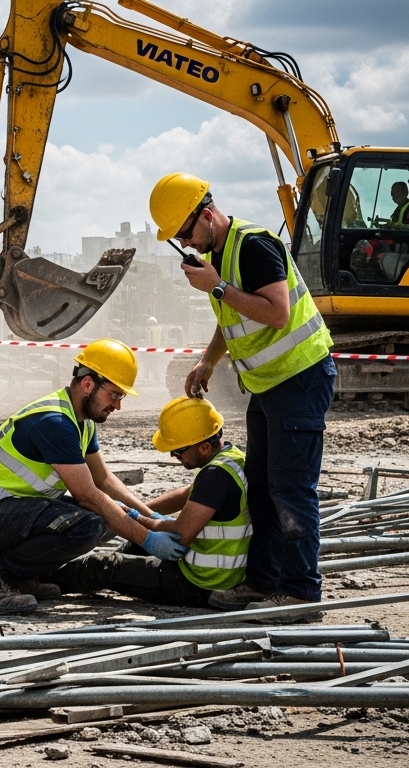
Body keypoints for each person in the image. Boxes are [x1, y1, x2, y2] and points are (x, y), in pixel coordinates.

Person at [150, 172, 335, 619]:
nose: (187, 244)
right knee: (261, 486)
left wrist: (216, 286)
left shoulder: (252, 245)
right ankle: (264, 580)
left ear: (208, 215)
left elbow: (276, 312)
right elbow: (233, 312)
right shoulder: (221, 253)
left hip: (299, 379)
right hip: (269, 386)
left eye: (186, 233)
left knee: (291, 488)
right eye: (177, 239)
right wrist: (209, 361)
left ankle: (300, 592)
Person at [0, 338, 189, 613]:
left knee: (109, 517)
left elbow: (103, 479)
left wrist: (148, 518)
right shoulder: (54, 422)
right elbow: (88, 496)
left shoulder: (81, 422)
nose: (117, 406)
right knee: (87, 525)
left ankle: (21, 575)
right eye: (114, 395)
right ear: (88, 384)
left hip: (12, 508)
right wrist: (147, 539)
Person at [50, 397, 250, 609]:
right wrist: (144, 513)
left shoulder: (214, 476)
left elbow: (181, 534)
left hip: (199, 583)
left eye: (179, 450)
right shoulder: (231, 459)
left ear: (204, 447)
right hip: (216, 573)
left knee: (100, 566)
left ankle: (44, 582)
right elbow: (186, 494)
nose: (174, 455)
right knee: (137, 543)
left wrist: (138, 519)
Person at [144, 316, 164, 382]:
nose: (152, 325)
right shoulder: (158, 330)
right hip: (152, 351)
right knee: (150, 364)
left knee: (152, 364)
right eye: (150, 323)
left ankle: (153, 376)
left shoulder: (148, 329)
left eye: (153, 323)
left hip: (152, 351)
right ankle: (150, 376)